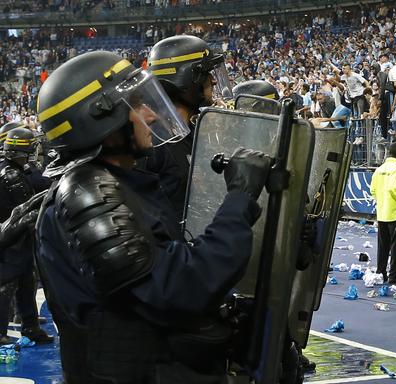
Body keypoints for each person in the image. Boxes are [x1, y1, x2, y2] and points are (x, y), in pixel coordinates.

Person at [35, 51, 272, 382]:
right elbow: (181, 288)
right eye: (136, 105)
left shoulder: (119, 183)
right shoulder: (89, 195)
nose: (152, 114)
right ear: (103, 119)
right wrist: (239, 199)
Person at [147, 35, 228, 221]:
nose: (214, 81)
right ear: (190, 78)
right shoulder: (155, 144)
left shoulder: (192, 134)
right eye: (207, 73)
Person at [0, 127, 52, 345]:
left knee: (26, 281)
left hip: (13, 235)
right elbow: (26, 210)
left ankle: (30, 326)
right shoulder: (12, 175)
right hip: (13, 237)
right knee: (9, 283)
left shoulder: (10, 169)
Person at [371, 142, 396, 285]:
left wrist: (382, 200)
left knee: (383, 245)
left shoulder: (380, 169)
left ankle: (381, 272)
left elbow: (373, 190)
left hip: (382, 212)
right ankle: (394, 276)